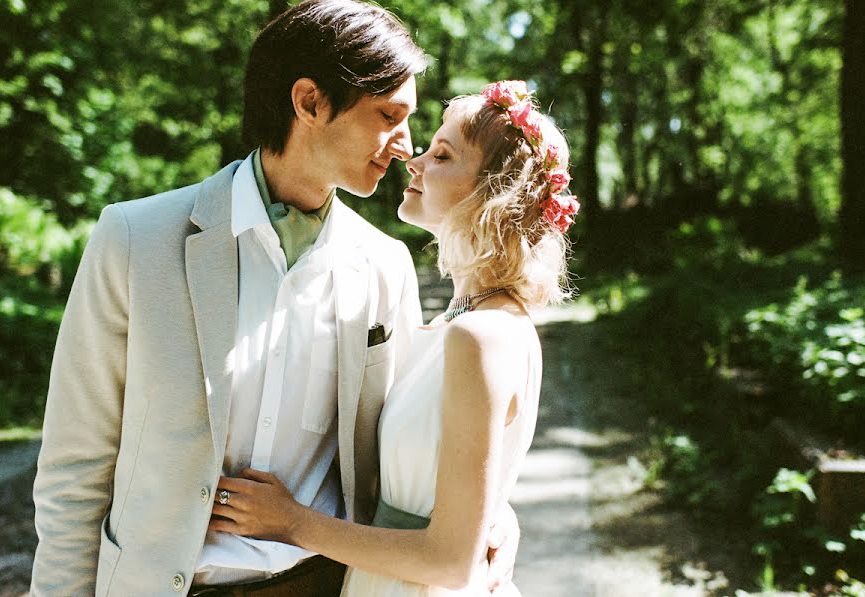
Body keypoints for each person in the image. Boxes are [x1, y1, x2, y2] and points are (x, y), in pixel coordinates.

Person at [29, 2, 520, 595]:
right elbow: (74, 469)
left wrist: (495, 518)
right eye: (389, 114)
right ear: (310, 102)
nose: (404, 145)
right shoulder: (135, 239)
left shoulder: (387, 266)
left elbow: (411, 447)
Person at [205, 81, 580, 596]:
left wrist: (290, 521)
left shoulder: (480, 336)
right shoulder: (468, 321)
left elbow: (450, 562)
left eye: (442, 155)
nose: (415, 161)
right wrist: (495, 514)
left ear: (493, 192)